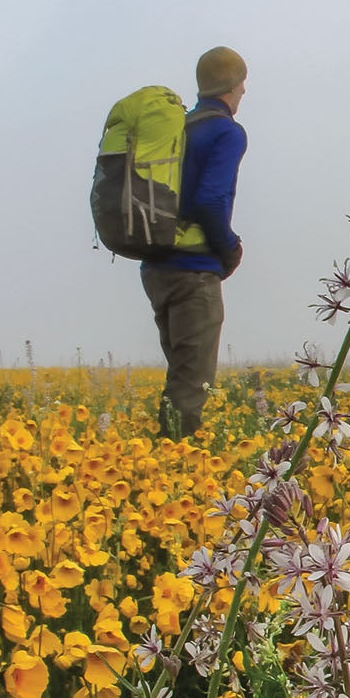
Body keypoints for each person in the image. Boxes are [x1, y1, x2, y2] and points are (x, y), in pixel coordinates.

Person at [142, 46, 248, 438]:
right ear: (232, 88)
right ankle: (176, 468)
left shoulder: (178, 129)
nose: (243, 94)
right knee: (192, 384)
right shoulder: (226, 132)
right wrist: (229, 248)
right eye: (242, 86)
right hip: (193, 270)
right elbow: (210, 198)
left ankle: (168, 464)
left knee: (180, 372)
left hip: (156, 267)